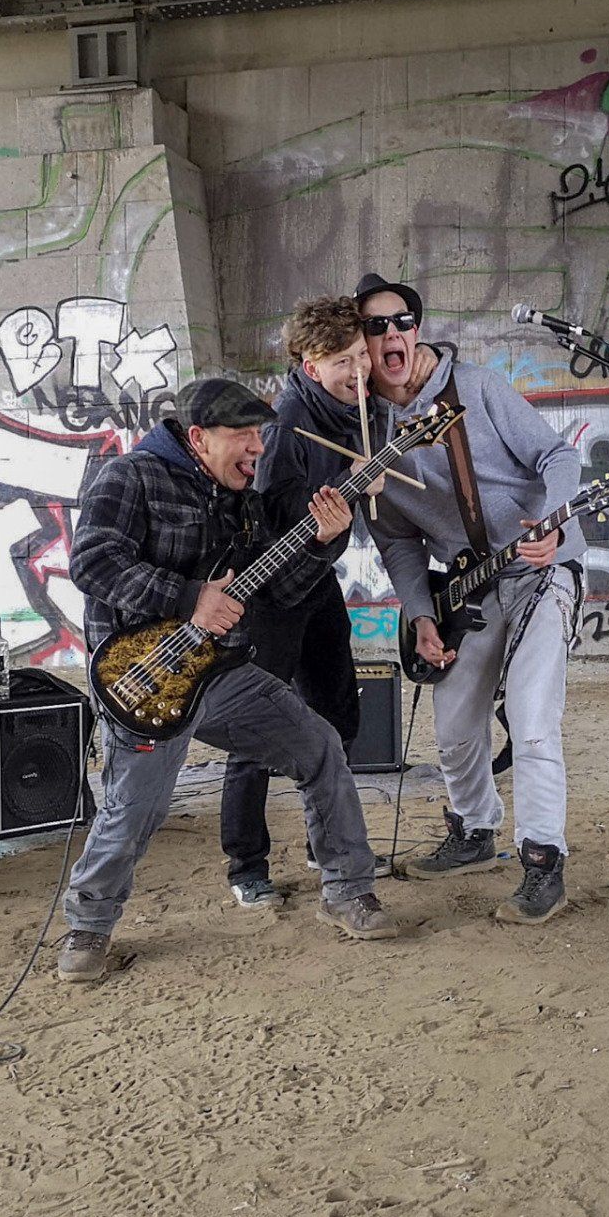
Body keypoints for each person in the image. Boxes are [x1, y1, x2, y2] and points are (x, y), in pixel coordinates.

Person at [59, 377, 396, 983]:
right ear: (198, 437)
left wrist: (323, 542)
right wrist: (190, 597)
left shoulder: (242, 501)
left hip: (224, 673)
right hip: (145, 678)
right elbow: (91, 561)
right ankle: (88, 926)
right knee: (133, 811)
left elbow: (280, 589)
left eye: (259, 435)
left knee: (320, 746)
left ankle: (349, 890)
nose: (258, 449)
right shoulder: (129, 477)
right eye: (243, 436)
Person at [355, 272, 583, 925]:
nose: (392, 334)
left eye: (402, 321)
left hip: (540, 569)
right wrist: (421, 615)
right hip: (468, 587)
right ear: (360, 345)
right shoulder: (365, 440)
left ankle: (542, 861)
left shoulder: (477, 388)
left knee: (533, 719)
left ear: (416, 329)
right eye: (375, 326)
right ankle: (474, 830)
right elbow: (397, 543)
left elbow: (556, 457)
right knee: (454, 727)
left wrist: (555, 522)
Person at [219, 298, 378, 907]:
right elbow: (273, 523)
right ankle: (246, 866)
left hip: (316, 583)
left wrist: (358, 488)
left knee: (338, 713)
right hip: (269, 597)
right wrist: (340, 501)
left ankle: (325, 843)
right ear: (311, 367)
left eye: (361, 355)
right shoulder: (286, 426)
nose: (359, 370)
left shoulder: (351, 413)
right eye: (343, 361)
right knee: (255, 732)